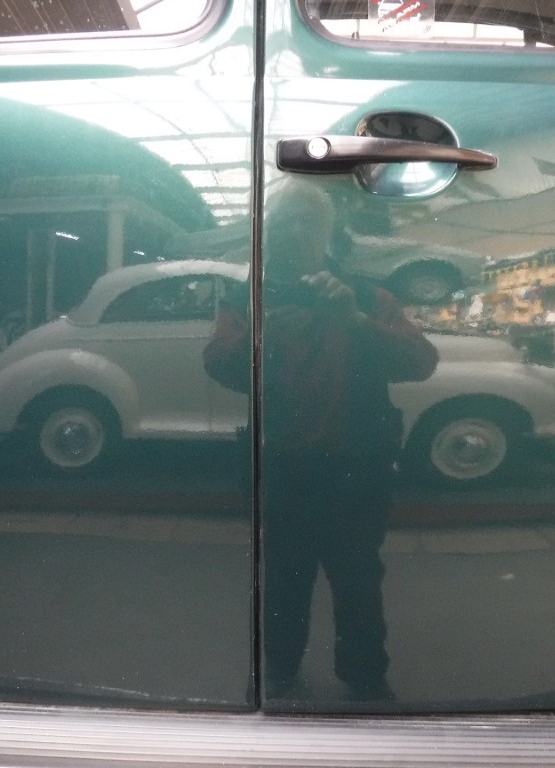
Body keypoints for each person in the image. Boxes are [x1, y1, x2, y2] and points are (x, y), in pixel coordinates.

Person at [204, 181, 437, 702]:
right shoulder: (245, 298)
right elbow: (217, 364)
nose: (295, 229)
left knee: (358, 580)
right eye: (284, 219)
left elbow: (422, 361)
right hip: (282, 468)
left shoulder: (366, 296)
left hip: (357, 468)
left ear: (327, 232)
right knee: (284, 581)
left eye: (308, 220)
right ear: (266, 231)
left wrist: (354, 321)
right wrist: (263, 339)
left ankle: (364, 676)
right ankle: (279, 672)